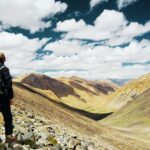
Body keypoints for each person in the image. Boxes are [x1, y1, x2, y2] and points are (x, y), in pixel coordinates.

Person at [0, 52, 15, 144]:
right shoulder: (4, 69)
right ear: (3, 60)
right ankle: (9, 138)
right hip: (2, 98)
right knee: (7, 117)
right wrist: (11, 97)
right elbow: (8, 84)